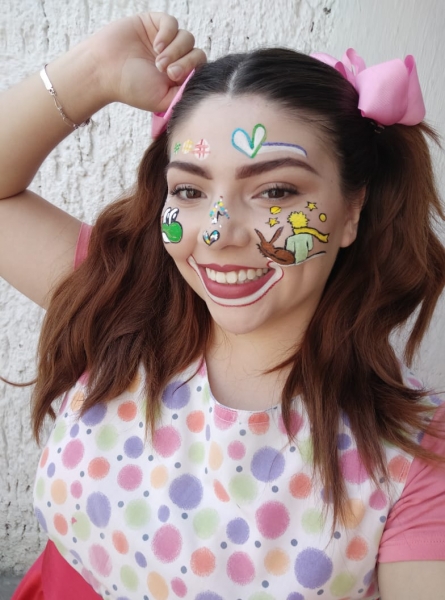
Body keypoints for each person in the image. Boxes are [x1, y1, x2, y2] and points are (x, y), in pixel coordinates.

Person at [1, 11, 445, 600]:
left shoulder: (415, 453)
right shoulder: (121, 306)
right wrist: (95, 72)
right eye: (189, 189)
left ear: (352, 211)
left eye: (275, 191)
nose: (216, 234)